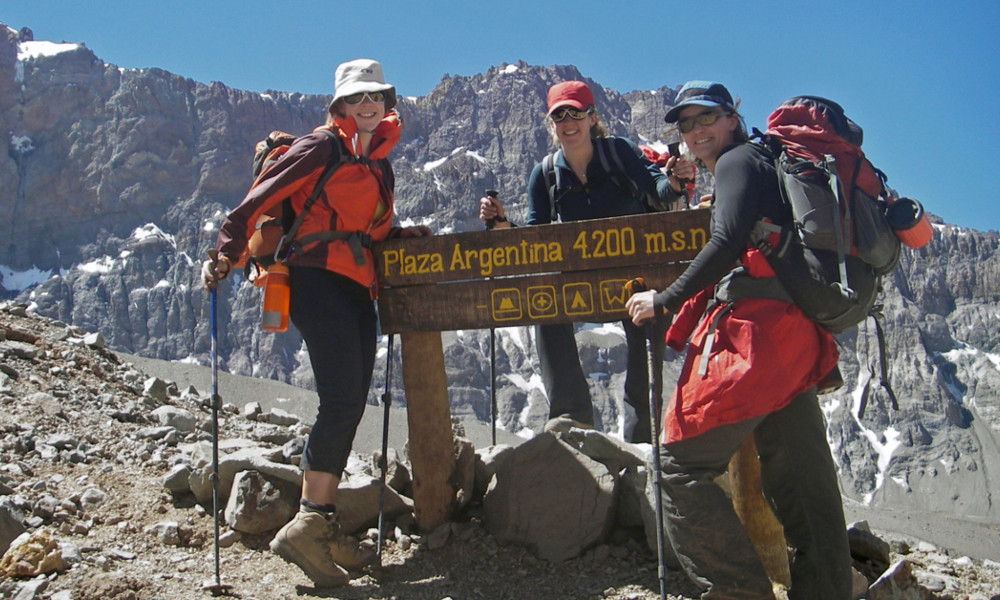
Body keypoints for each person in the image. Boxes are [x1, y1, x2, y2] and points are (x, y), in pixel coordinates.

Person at [201, 58, 430, 588]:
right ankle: (310, 524)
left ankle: (319, 524)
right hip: (311, 278)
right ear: (340, 105)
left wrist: (401, 237)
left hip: (356, 283)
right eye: (357, 99)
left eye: (377, 96)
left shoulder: (379, 164)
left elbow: (368, 230)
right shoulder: (321, 146)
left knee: (351, 399)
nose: (369, 105)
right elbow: (255, 203)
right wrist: (226, 252)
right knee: (342, 398)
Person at [626, 81, 851, 598]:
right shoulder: (764, 161)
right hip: (797, 337)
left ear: (731, 117)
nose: (696, 130)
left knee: (675, 471)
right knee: (801, 480)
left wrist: (664, 299)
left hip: (758, 338)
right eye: (685, 124)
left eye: (706, 117)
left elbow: (726, 243)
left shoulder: (735, 162)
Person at [479, 80, 696, 443]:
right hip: (583, 280)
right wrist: (502, 225)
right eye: (558, 115)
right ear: (550, 124)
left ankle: (641, 438)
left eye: (575, 113)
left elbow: (656, 188)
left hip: (636, 276)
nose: (568, 122)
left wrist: (674, 183)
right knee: (545, 309)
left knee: (647, 330)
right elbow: (538, 237)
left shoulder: (618, 153)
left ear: (591, 117)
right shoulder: (545, 173)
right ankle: (571, 419)